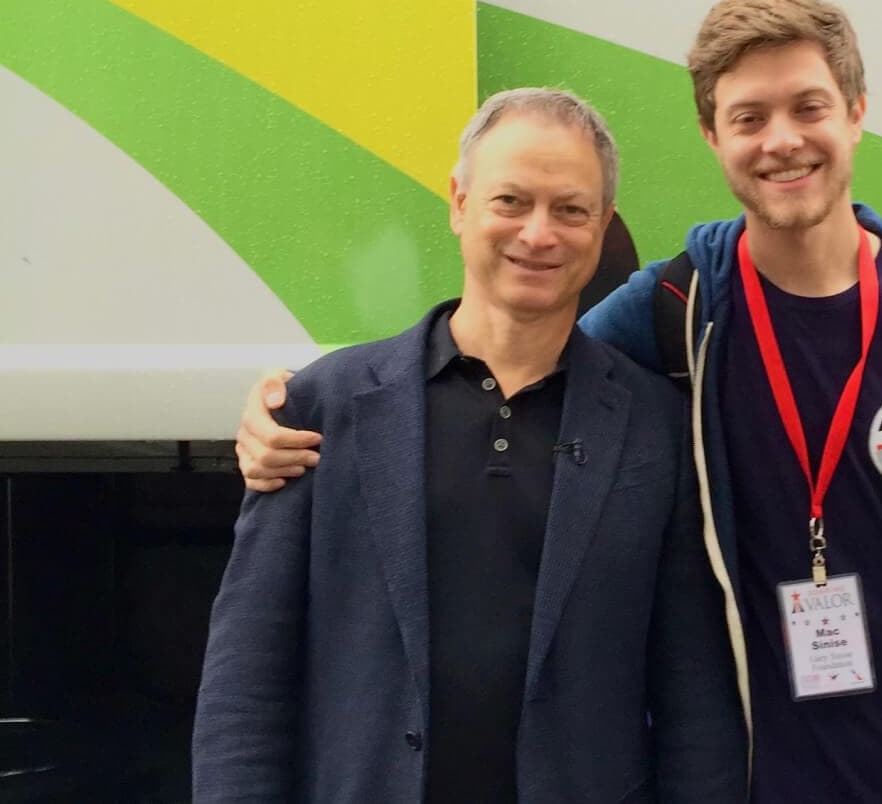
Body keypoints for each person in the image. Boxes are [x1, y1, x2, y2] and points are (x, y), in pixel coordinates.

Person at [237, 0, 882, 804]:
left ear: (855, 112)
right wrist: (283, 415)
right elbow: (504, 351)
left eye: (808, 107)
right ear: (712, 136)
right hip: (752, 772)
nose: (783, 140)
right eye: (749, 117)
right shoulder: (671, 316)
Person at [196, 89, 745, 804]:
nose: (539, 234)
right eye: (510, 201)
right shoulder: (320, 411)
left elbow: (694, 697)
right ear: (458, 203)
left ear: (604, 226)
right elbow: (247, 682)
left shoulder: (657, 429)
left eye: (571, 209)